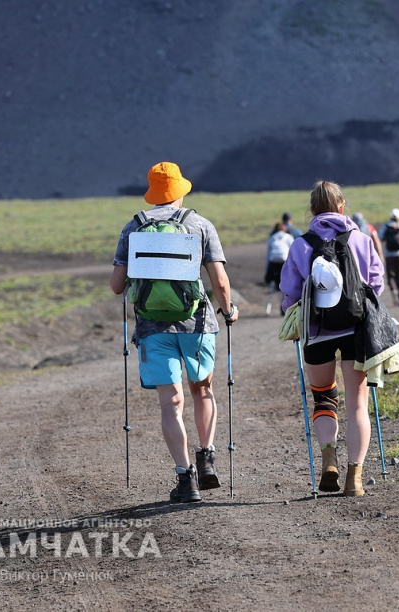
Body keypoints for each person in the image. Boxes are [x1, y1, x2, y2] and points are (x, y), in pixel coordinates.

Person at [110, 161, 239, 503]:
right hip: (197, 324)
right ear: (180, 191)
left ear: (153, 194)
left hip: (153, 328)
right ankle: (207, 455)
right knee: (203, 389)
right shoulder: (199, 225)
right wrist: (228, 310)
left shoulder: (133, 228)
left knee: (171, 402)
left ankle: (186, 478)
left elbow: (116, 285)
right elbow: (220, 281)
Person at [280, 180, 385, 496]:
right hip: (356, 329)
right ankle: (355, 478)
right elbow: (376, 285)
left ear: (312, 211)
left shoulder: (301, 245)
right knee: (357, 404)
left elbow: (290, 294)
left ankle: (329, 461)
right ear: (342, 207)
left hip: (317, 332)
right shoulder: (361, 240)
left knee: (324, 397)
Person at [378, 208, 399, 305]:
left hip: (389, 254)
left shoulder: (386, 226)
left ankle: (394, 289)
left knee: (391, 275)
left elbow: (381, 237)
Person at [265, 222, 294, 315]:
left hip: (273, 264)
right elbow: (292, 252)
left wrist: (267, 270)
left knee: (277, 285)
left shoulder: (272, 238)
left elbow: (268, 255)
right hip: (284, 263)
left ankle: (275, 307)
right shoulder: (288, 237)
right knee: (284, 285)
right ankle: (284, 306)